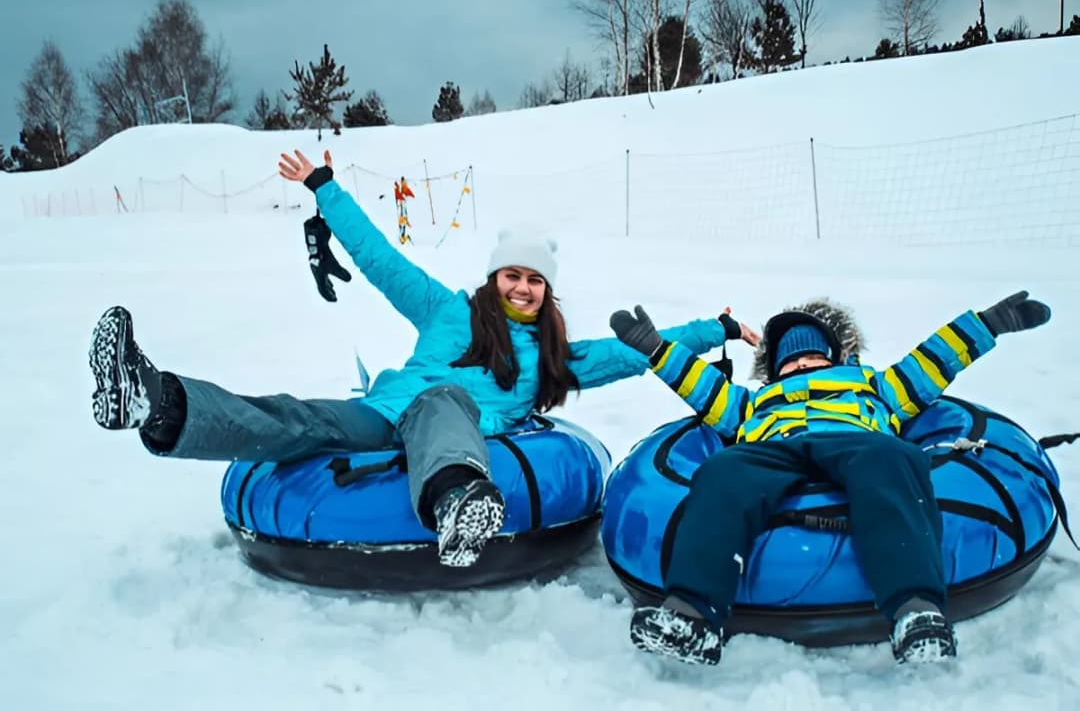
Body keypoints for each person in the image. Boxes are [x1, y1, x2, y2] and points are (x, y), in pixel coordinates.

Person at [88, 149, 750, 570]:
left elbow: (639, 349)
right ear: (494, 279)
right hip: (383, 414)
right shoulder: (443, 309)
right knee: (298, 418)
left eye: (534, 280)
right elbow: (379, 258)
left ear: (546, 290)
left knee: (443, 399)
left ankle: (458, 501)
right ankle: (154, 401)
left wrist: (714, 328)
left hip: (458, 430)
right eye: (512, 275)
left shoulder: (555, 356)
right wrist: (325, 188)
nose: (521, 288)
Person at [609, 292, 1051, 664]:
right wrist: (656, 349)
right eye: (790, 359)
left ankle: (916, 610)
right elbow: (701, 386)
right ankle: (691, 615)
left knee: (892, 459)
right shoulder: (753, 403)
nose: (802, 363)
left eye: (812, 354)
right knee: (722, 471)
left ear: (834, 358)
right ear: (774, 368)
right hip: (774, 448)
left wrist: (990, 323)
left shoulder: (874, 386)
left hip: (854, 441)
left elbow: (933, 361)